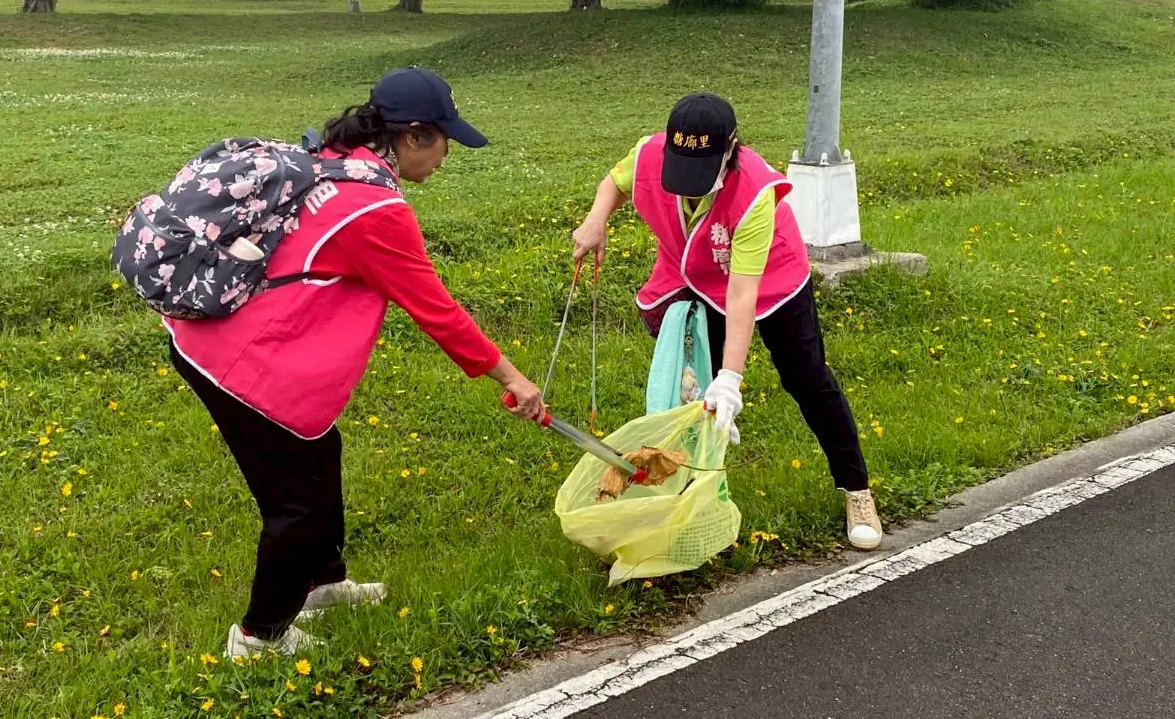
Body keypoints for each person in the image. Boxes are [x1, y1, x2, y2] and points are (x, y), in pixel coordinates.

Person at [165, 67, 545, 658]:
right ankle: (259, 637)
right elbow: (437, 311)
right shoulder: (375, 211)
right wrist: (514, 379)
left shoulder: (336, 158)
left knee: (320, 452)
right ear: (414, 135)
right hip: (239, 360)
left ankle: (321, 583)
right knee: (297, 504)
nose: (447, 156)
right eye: (446, 141)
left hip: (223, 337)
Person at [571, 93, 883, 551]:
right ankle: (702, 498)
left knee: (807, 379)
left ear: (731, 149)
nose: (690, 188)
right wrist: (596, 220)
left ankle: (857, 491)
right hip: (699, 278)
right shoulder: (650, 153)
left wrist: (731, 379)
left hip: (774, 282)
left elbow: (742, 295)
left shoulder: (754, 192)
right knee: (694, 391)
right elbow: (614, 182)